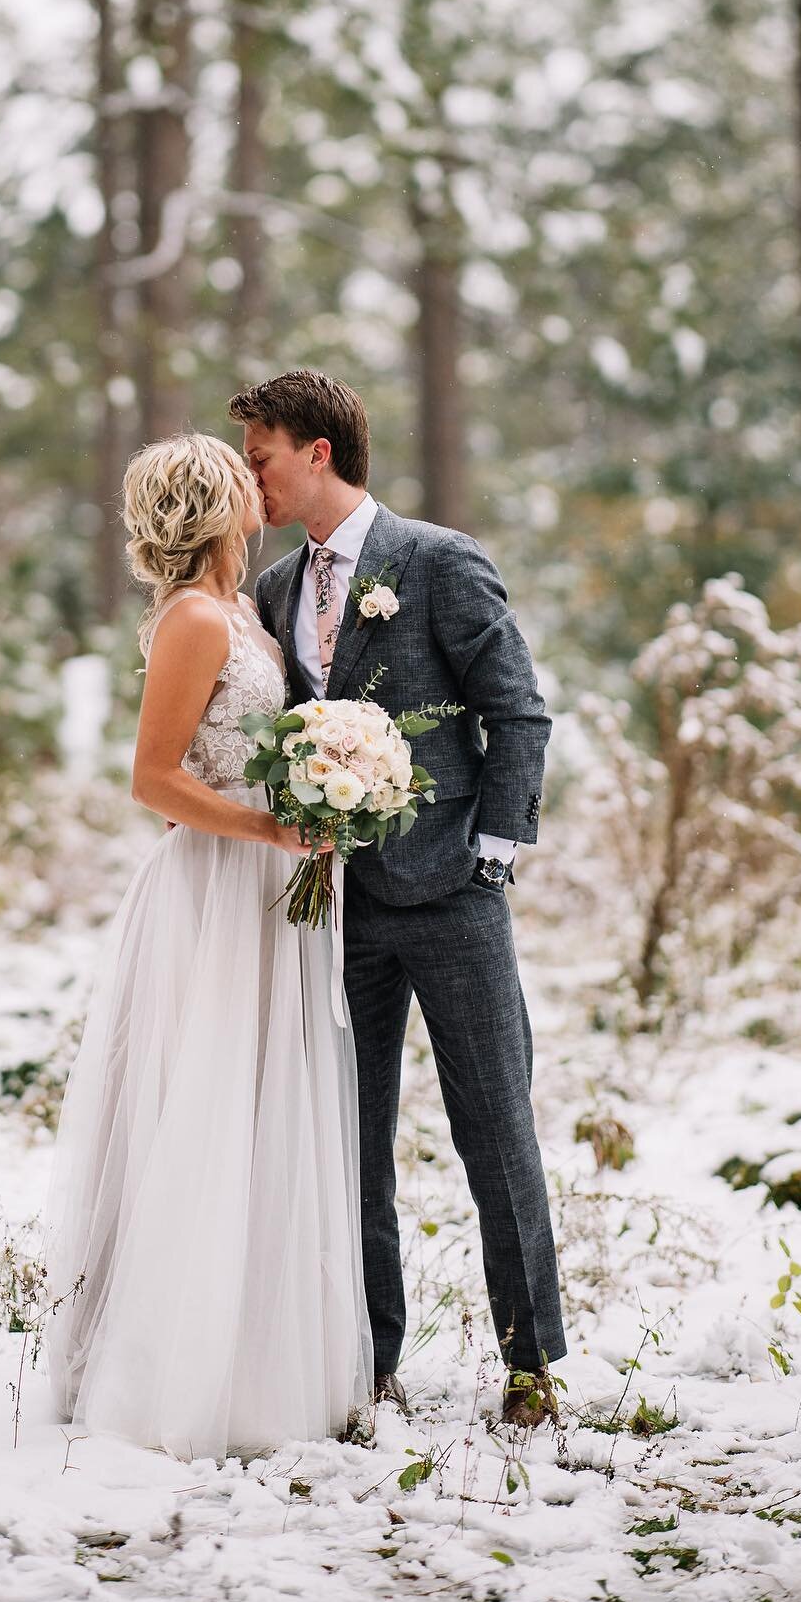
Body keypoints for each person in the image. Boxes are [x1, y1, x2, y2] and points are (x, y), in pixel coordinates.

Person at [237, 368, 567, 1427]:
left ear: (319, 451)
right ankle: (368, 1359)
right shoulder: (273, 590)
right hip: (334, 906)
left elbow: (517, 712)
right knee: (349, 1135)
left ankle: (530, 1363)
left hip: (455, 896)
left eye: (264, 455)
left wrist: (494, 853)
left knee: (494, 1128)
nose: (254, 478)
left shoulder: (436, 560)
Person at [46, 432, 372, 1462]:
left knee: (267, 1113)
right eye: (243, 479)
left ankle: (262, 1354)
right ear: (216, 504)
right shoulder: (193, 618)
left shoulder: (250, 615)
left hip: (271, 887)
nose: (259, 487)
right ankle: (177, 1372)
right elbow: (153, 777)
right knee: (208, 1110)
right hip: (213, 887)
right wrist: (271, 826)